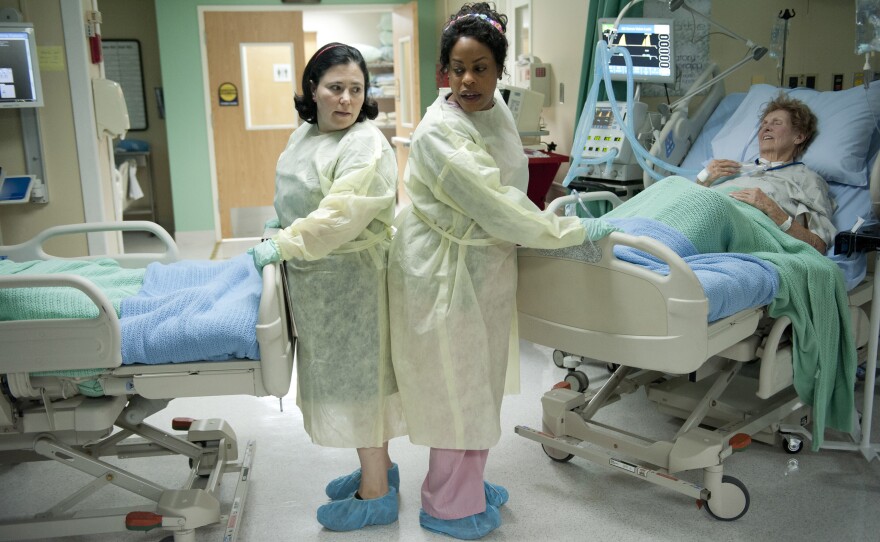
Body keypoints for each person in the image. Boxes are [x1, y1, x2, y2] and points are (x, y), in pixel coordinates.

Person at [387, 4, 610, 539]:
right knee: (456, 386)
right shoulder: (441, 131)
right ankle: (446, 503)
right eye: (458, 68)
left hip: (483, 263)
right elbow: (498, 203)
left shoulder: (496, 112)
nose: (468, 79)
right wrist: (570, 232)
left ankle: (468, 483)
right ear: (445, 71)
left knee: (478, 383)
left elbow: (509, 184)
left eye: (481, 67)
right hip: (443, 269)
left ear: (497, 70)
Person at [248, 42, 406, 532]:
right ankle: (376, 467)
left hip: (354, 281)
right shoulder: (306, 135)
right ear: (312, 89)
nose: (346, 100)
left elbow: (340, 214)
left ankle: (376, 494)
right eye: (335, 88)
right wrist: (285, 222)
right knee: (350, 382)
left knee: (363, 386)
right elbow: (301, 192)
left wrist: (286, 242)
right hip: (320, 279)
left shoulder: (365, 143)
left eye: (356, 90)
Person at [695, 93, 836, 253]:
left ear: (798, 137)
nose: (766, 128)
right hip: (705, 221)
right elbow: (694, 202)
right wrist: (703, 180)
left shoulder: (807, 179)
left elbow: (819, 246)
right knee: (669, 184)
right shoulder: (731, 169)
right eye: (763, 124)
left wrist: (772, 209)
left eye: (777, 123)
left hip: (741, 232)